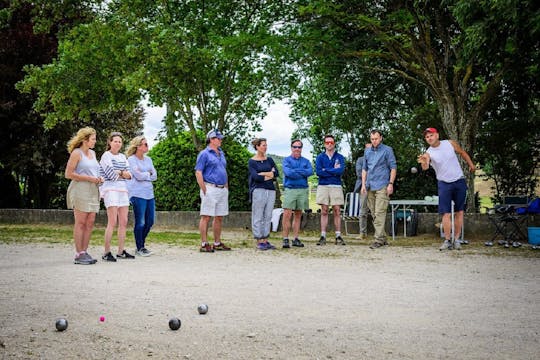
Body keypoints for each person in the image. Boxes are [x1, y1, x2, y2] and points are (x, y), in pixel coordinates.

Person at [417, 127, 475, 251]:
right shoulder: (428, 153)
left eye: (431, 135)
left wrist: (471, 165)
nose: (429, 138)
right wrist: (423, 162)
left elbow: (463, 153)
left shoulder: (450, 143)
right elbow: (426, 167)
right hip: (444, 184)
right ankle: (447, 240)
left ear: (437, 135)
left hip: (459, 180)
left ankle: (457, 239)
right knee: (446, 213)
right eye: (427, 137)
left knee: (459, 212)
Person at [65, 127, 104, 265]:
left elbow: (94, 171)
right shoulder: (76, 153)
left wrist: (99, 178)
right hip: (80, 189)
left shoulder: (92, 153)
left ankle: (84, 251)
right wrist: (89, 178)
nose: (95, 141)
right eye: (93, 139)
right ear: (85, 140)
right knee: (80, 222)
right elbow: (68, 174)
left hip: (93, 189)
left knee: (90, 222)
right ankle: (78, 253)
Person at [99, 132, 135, 262]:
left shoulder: (123, 157)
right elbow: (110, 174)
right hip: (110, 189)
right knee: (112, 221)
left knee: (124, 221)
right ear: (110, 142)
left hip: (123, 190)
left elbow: (130, 175)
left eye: (120, 142)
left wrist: (119, 172)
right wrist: (122, 173)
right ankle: (106, 252)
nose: (118, 144)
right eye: (115, 141)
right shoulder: (106, 156)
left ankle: (120, 251)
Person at [195, 129, 231, 253]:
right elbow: (198, 172)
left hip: (221, 188)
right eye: (218, 138)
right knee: (206, 216)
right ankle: (204, 243)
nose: (221, 140)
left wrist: (226, 186)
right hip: (210, 187)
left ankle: (217, 242)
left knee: (219, 216)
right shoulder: (204, 154)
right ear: (212, 139)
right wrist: (204, 189)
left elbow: (223, 170)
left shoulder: (221, 153)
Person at [361, 129, 397, 249]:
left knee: (379, 212)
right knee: (374, 213)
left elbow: (393, 168)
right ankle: (383, 237)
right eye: (372, 139)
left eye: (376, 138)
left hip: (383, 185)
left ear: (381, 138)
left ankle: (378, 240)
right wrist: (363, 184)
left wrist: (390, 184)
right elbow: (364, 169)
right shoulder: (367, 151)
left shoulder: (387, 150)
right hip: (370, 185)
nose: (374, 141)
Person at [126, 136, 157, 257]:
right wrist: (147, 173)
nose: (147, 146)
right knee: (140, 222)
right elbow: (137, 176)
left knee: (150, 221)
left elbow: (155, 175)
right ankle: (140, 247)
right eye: (145, 144)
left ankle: (141, 244)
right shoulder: (131, 160)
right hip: (137, 194)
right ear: (138, 146)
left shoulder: (148, 159)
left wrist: (145, 174)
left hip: (149, 194)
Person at [281, 139, 313, 248]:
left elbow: (310, 172)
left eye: (299, 147)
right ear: (291, 148)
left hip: (302, 189)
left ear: (301, 149)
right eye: (295, 147)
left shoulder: (306, 161)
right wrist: (301, 172)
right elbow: (288, 173)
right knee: (287, 214)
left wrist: (296, 171)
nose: (297, 149)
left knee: (298, 214)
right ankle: (285, 239)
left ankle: (295, 238)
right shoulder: (286, 160)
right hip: (290, 189)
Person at [248, 138, 279, 250]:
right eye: (263, 145)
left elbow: (276, 173)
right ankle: (259, 239)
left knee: (268, 215)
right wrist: (269, 174)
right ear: (257, 147)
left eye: (266, 145)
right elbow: (256, 177)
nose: (265, 147)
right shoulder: (252, 161)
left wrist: (264, 174)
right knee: (258, 215)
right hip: (258, 190)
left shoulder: (270, 160)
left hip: (270, 190)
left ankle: (265, 239)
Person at [315, 134, 346, 245]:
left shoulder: (340, 157)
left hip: (336, 185)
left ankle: (338, 235)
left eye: (331, 142)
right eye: (327, 142)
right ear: (324, 144)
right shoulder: (320, 157)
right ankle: (323, 236)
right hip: (323, 185)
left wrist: (326, 170)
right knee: (324, 210)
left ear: (334, 144)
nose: (329, 144)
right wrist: (333, 170)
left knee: (337, 210)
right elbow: (319, 172)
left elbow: (340, 171)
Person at [353, 143, 371, 240]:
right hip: (364, 187)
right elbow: (359, 174)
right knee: (363, 211)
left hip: (375, 187)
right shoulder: (360, 160)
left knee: (376, 211)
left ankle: (379, 233)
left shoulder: (377, 159)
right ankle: (362, 233)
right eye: (367, 149)